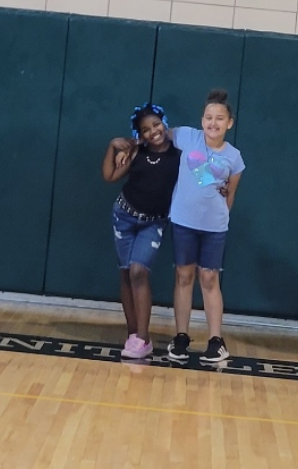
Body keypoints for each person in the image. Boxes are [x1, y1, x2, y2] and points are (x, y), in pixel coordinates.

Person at [166, 89, 244, 364]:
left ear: (229, 123)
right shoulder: (187, 137)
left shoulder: (234, 158)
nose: (213, 123)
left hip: (214, 228)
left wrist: (219, 216)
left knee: (209, 278)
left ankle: (215, 340)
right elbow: (159, 133)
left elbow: (229, 194)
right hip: (183, 222)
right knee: (183, 275)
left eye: (219, 118)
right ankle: (181, 337)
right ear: (202, 120)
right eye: (209, 117)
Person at [102, 102, 180, 360]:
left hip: (154, 222)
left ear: (164, 123)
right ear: (139, 134)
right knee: (126, 273)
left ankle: (144, 338)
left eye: (156, 125)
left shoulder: (179, 154)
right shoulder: (135, 151)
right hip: (123, 217)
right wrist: (114, 146)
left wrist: (219, 184)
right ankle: (133, 334)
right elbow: (110, 176)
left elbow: (203, 178)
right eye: (145, 129)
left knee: (138, 271)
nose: (153, 132)